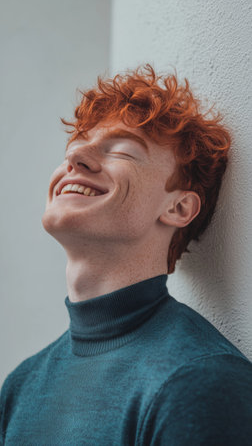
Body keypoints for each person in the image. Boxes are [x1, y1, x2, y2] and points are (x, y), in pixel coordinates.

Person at [0, 64, 251, 445]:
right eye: (76, 144)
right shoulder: (20, 386)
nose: (77, 155)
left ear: (179, 208)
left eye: (123, 151)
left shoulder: (201, 379)